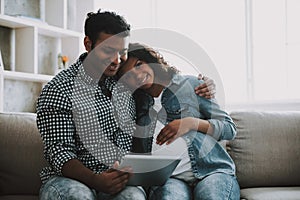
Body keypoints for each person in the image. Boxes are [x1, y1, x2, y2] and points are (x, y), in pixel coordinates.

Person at [36, 10, 215, 200]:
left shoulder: (125, 83)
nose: (116, 60)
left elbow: (160, 83)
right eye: (107, 50)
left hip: (121, 179)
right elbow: (59, 151)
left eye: (122, 52)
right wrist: (96, 180)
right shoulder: (58, 89)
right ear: (88, 44)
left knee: (133, 198)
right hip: (71, 180)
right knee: (77, 196)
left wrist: (202, 84)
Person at [117, 43, 240, 200]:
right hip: (170, 179)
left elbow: (229, 129)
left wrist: (190, 123)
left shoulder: (191, 85)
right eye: (128, 76)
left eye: (139, 65)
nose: (137, 74)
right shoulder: (134, 103)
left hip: (212, 170)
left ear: (150, 61)